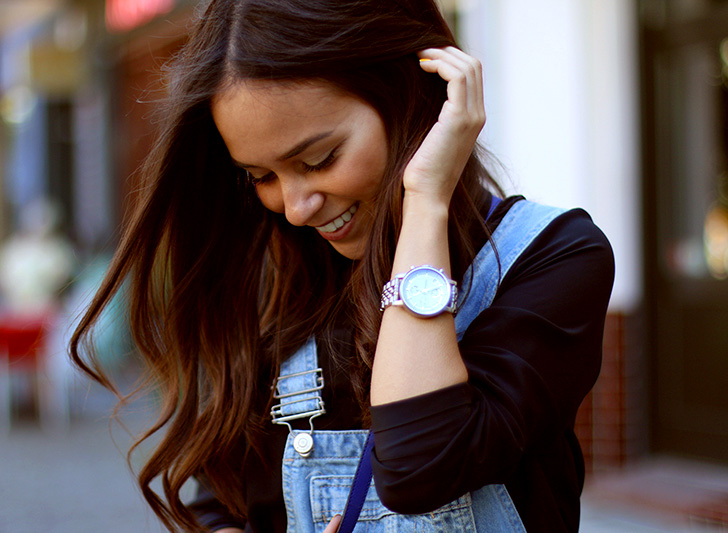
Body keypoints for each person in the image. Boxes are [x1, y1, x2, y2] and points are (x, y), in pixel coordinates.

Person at [71, 0, 614, 531]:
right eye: (262, 176)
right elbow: (222, 498)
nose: (296, 206)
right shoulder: (279, 281)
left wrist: (425, 199)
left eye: (318, 160)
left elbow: (423, 469)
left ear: (411, 97)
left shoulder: (552, 259)